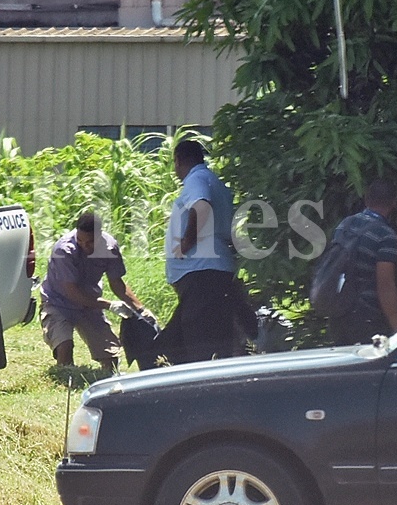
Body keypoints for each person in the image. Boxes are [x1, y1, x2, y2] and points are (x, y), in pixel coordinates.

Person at [158, 139, 255, 364]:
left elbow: (201, 205)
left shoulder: (197, 179)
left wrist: (186, 242)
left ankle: (202, 386)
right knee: (183, 339)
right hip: (209, 273)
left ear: (179, 160)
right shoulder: (214, 181)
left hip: (202, 274)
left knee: (200, 342)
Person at [40, 211, 150, 373]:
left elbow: (117, 283)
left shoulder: (109, 248)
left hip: (89, 305)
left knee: (111, 358)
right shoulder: (63, 251)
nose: (85, 246)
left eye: (90, 242)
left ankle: (105, 380)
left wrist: (141, 309)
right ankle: (66, 379)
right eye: (80, 240)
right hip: (58, 303)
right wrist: (109, 305)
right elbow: (72, 293)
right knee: (65, 348)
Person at [328, 179, 397, 344]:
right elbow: (385, 285)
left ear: (367, 200)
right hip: (367, 316)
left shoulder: (344, 225)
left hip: (338, 311)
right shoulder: (385, 235)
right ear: (393, 203)